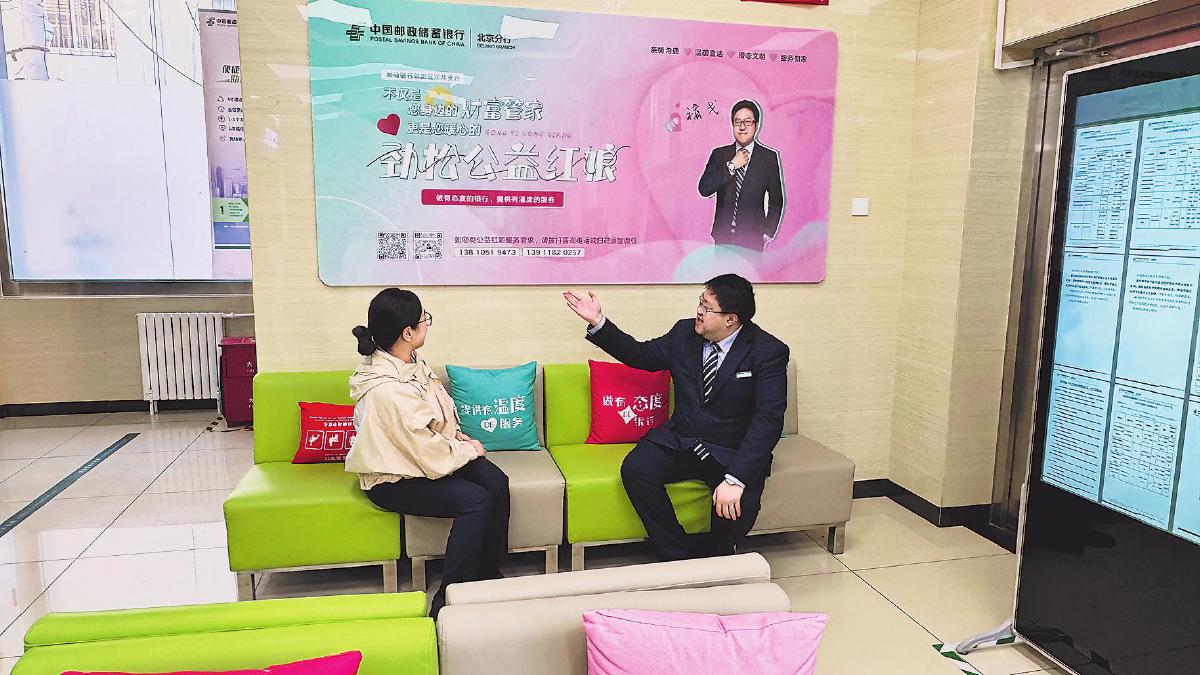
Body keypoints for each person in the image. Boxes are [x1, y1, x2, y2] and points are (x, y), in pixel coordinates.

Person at [563, 274, 789, 561]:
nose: (699, 311)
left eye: (707, 308)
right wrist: (598, 322)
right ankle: (676, 553)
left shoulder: (767, 352)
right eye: (700, 302)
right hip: (681, 440)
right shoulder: (684, 333)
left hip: (729, 450)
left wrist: (736, 479)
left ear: (730, 319)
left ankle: (716, 557)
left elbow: (768, 419)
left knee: (739, 507)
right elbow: (641, 355)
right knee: (636, 469)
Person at [346, 288, 509, 618]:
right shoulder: (386, 389)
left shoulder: (408, 362)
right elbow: (425, 450)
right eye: (424, 320)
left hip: (423, 458)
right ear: (407, 333)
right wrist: (467, 449)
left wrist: (457, 437)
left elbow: (432, 421)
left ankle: (486, 573)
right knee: (476, 500)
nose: (427, 325)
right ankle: (447, 601)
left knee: (496, 481)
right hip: (394, 477)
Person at [698, 100, 785, 252]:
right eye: (737, 122)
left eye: (747, 122)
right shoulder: (719, 154)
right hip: (723, 239)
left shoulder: (769, 157)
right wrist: (731, 166)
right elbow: (704, 189)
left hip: (753, 241)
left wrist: (766, 234)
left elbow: (776, 200)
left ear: (756, 125)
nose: (742, 127)